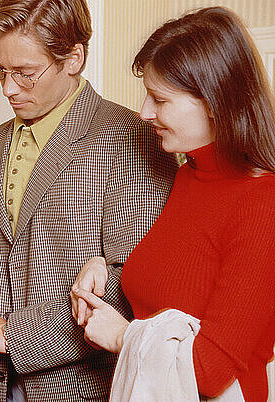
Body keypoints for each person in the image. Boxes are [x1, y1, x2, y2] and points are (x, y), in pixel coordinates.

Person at [0, 0, 177, 400]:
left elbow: (134, 285)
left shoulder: (133, 139)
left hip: (87, 388)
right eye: (0, 70)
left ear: (74, 58)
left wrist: (13, 336)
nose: (8, 88)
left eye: (24, 73)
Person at [70, 7, 275, 401]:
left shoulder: (263, 203)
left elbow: (208, 372)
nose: (145, 112)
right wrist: (101, 268)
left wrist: (121, 336)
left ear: (215, 101)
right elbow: (172, 295)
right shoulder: (187, 175)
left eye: (159, 99)